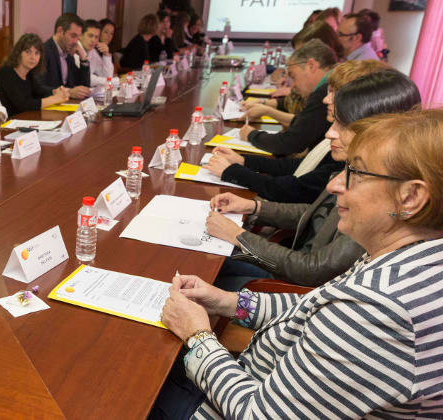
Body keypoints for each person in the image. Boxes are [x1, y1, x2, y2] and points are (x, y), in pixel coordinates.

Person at [155, 108, 443, 418]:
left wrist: (198, 336)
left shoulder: (378, 310)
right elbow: (312, 309)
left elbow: (258, 415)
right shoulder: (411, 260)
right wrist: (229, 302)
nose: (334, 186)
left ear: (410, 197)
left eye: (356, 173)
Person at [203, 69, 421, 291]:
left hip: (293, 287)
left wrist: (239, 236)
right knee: (205, 259)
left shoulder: (377, 197)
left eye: (343, 125)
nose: (329, 133)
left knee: (203, 272)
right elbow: (317, 214)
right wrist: (254, 206)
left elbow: (311, 270)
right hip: (290, 265)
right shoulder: (354, 167)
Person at [206, 60, 391, 204]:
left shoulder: (348, 146)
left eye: (333, 93)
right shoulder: (338, 134)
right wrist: (244, 160)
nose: (325, 100)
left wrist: (233, 171)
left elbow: (295, 189)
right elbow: (297, 167)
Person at [239, 40, 336, 155]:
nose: (293, 86)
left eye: (293, 77)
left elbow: (288, 143)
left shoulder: (325, 93)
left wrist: (252, 135)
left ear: (311, 66)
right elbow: (303, 122)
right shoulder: (329, 84)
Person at [0, 34, 70, 116]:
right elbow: (24, 104)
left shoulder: (29, 72)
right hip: (9, 123)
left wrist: (55, 91)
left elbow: (39, 91)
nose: (33, 57)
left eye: (37, 53)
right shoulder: (7, 73)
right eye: (28, 52)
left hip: (26, 119)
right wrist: (55, 99)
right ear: (19, 52)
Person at [39, 13, 91, 99]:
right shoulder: (44, 51)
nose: (76, 41)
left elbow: (83, 87)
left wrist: (83, 58)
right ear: (60, 31)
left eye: (78, 37)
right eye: (73, 36)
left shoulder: (68, 53)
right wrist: (68, 92)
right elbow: (39, 89)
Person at [81, 19, 113, 87]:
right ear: (80, 35)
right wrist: (114, 81)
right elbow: (86, 78)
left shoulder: (92, 51)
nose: (93, 40)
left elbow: (107, 76)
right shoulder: (75, 50)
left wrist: (106, 55)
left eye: (96, 37)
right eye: (90, 36)